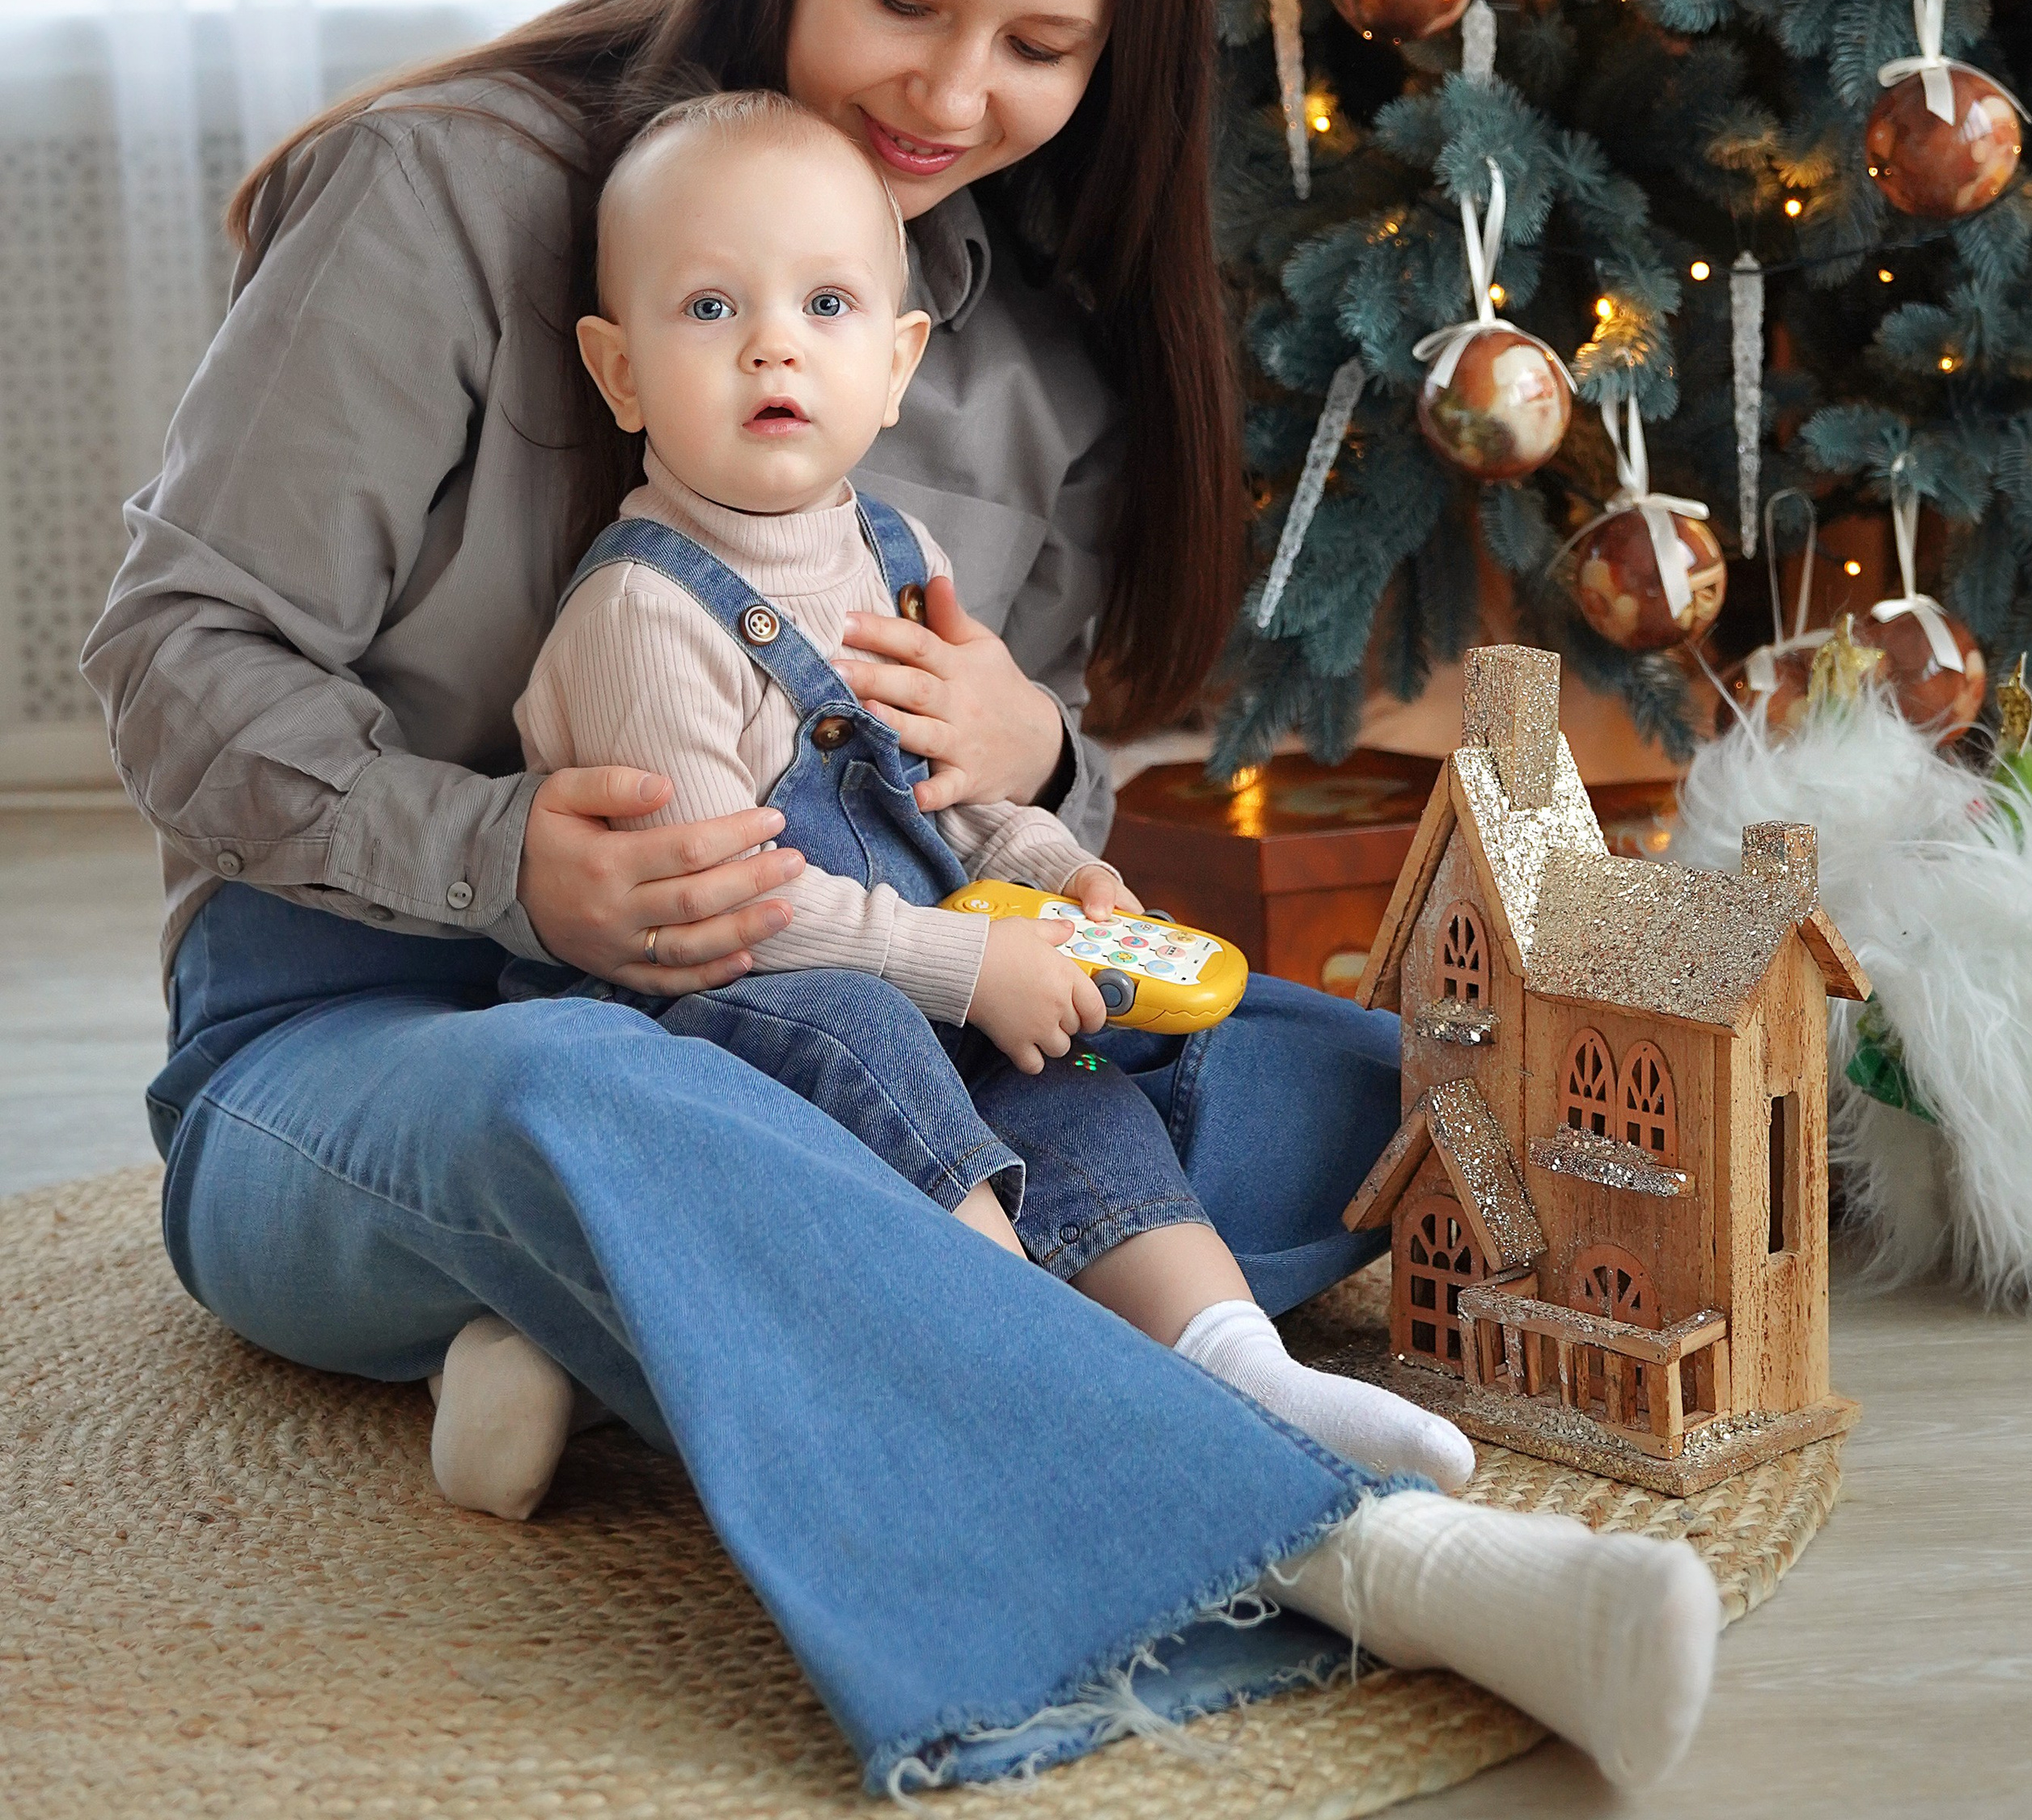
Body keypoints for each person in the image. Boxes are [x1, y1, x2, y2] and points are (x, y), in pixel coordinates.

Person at [84, 0, 1716, 1792]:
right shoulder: (444, 191)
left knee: (1340, 1077)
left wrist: (1037, 755)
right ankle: (1368, 1557)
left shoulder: (1007, 333)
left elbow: (993, 848)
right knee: (597, 1094)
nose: (953, 94)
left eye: (1039, 46)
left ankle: (633, 1309)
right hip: (371, 1033)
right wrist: (504, 864)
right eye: (904, 1)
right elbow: (175, 658)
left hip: (845, 1011)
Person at [432, 85, 1473, 1522]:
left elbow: (949, 797)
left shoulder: (889, 550)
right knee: (868, 1034)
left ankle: (1237, 1360)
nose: (775, 344)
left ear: (897, 360)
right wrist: (966, 961)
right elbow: (728, 917)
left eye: (828, 304)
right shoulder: (641, 616)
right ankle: (1016, 1372)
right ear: (619, 373)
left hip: (929, 973)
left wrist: (1051, 872)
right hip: (712, 1019)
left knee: (1068, 1078)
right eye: (712, 307)